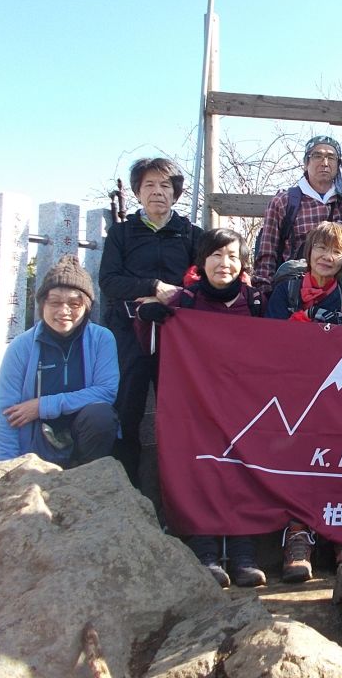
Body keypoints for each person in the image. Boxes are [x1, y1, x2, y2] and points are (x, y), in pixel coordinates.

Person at [137, 228, 267, 588]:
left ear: (242, 265)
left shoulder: (256, 303)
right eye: (216, 255)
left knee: (244, 471)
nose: (224, 264)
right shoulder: (184, 301)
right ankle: (204, 549)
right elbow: (150, 349)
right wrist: (149, 318)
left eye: (232, 257)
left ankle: (244, 553)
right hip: (194, 404)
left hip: (245, 405)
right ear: (202, 260)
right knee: (197, 470)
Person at [265, 220, 342, 581]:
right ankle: (298, 537)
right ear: (308, 252)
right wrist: (301, 324)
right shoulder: (287, 291)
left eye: (337, 253)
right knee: (300, 462)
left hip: (339, 397)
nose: (328, 257)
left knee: (339, 462)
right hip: (293, 394)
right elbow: (265, 336)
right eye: (321, 249)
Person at [98, 157, 201, 486]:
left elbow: (202, 282)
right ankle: (125, 492)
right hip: (128, 333)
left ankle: (175, 495)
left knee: (178, 415)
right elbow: (109, 282)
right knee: (126, 410)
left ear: (176, 193)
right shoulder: (122, 233)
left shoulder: (190, 234)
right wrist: (152, 287)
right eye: (149, 185)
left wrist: (171, 299)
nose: (158, 192)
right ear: (138, 192)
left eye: (165, 186)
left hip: (175, 335)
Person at [0, 255, 118, 465]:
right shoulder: (21, 347)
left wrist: (42, 406)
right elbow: (7, 412)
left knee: (101, 415)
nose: (64, 311)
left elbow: (106, 391)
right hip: (35, 448)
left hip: (83, 440)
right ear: (42, 305)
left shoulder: (101, 339)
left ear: (86, 307)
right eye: (55, 303)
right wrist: (5, 467)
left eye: (74, 303)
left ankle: (90, 477)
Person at [253, 136, 342, 294]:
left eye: (331, 157)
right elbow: (266, 253)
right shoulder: (284, 201)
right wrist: (264, 294)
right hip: (293, 292)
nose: (325, 163)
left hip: (336, 294)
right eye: (317, 156)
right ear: (306, 163)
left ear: (338, 165)